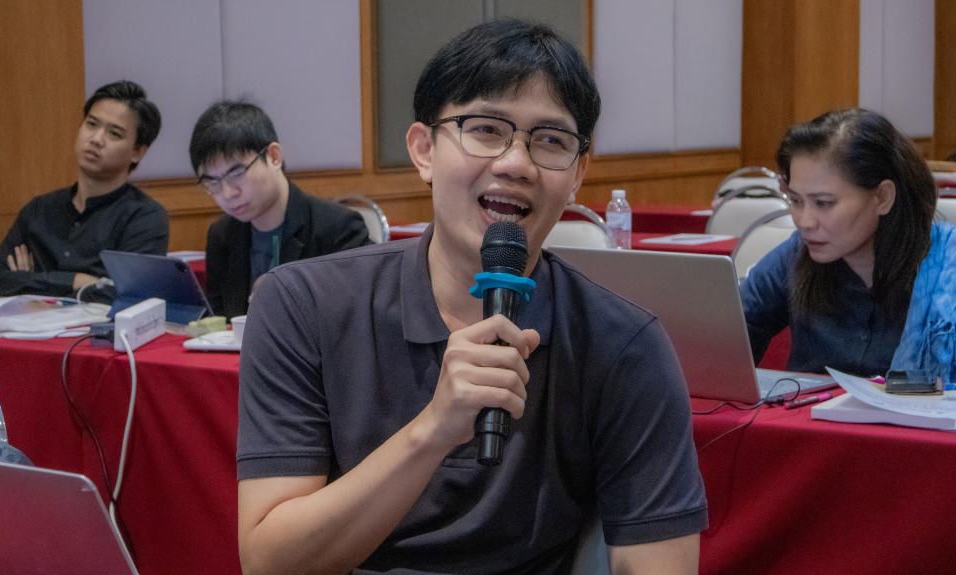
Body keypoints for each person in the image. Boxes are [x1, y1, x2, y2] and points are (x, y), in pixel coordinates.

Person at [236, 20, 707, 574]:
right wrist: (433, 430)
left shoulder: (624, 344)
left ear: (578, 174)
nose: (516, 164)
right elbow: (269, 564)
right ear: (424, 151)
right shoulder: (302, 304)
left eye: (551, 140)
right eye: (485, 129)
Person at [742, 107, 955, 380]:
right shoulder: (796, 255)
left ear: (882, 198)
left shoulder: (944, 270)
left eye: (823, 203)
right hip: (809, 409)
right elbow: (731, 334)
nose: (805, 221)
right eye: (796, 200)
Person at [0, 80, 167, 302]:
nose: (96, 139)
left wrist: (31, 282)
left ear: (137, 152)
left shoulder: (143, 218)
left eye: (114, 134)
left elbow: (126, 297)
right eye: (91, 124)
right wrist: (76, 281)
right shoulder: (39, 210)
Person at [189, 101, 371, 318]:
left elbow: (356, 317)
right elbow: (219, 321)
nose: (227, 194)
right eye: (212, 182)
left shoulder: (337, 228)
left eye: (237, 174)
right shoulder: (222, 235)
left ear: (274, 157)